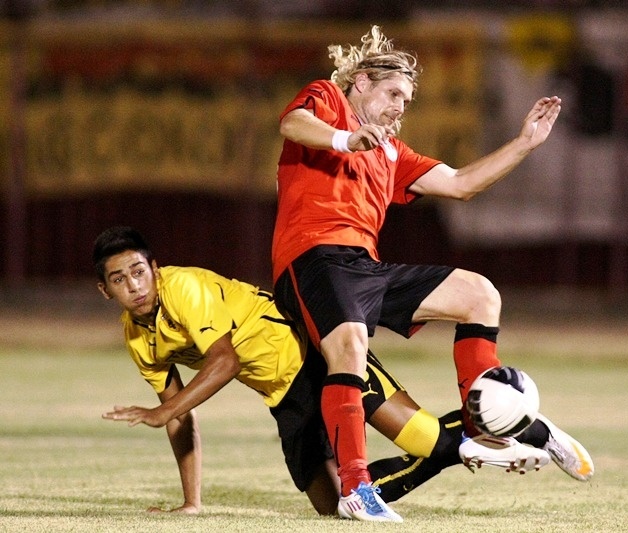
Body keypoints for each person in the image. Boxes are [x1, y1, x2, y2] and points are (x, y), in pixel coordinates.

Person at [271, 25, 594, 521]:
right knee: (350, 349)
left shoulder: (390, 152)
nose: (400, 107)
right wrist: (344, 138)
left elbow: (462, 183)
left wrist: (525, 143)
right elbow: (292, 124)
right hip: (313, 258)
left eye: (407, 100)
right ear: (362, 82)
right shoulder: (329, 100)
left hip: (364, 267)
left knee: (479, 294)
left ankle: (484, 423)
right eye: (393, 94)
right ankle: (357, 489)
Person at [93, 225, 568, 520]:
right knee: (333, 505)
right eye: (119, 279)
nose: (134, 285)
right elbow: (179, 416)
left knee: (425, 440)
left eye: (138, 271)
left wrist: (162, 411)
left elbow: (225, 361)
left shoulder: (183, 288)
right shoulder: (137, 338)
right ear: (104, 290)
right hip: (283, 395)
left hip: (318, 352)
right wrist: (192, 501)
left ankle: (524, 425)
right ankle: (470, 438)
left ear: (155, 268)